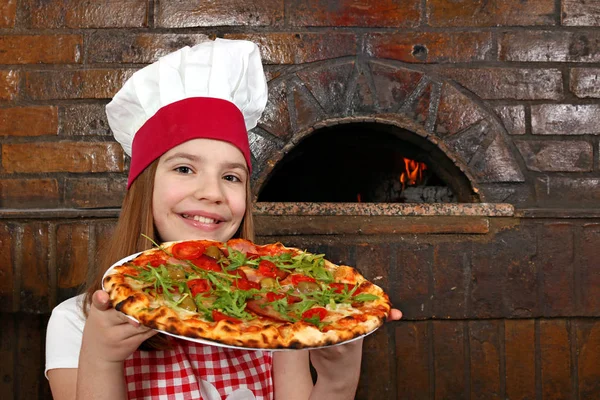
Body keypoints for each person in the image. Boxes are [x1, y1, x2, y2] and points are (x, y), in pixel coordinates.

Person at [45, 38, 402, 400]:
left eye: (231, 177)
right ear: (143, 186)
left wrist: (337, 384)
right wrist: (101, 358)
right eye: (185, 168)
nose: (212, 193)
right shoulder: (77, 321)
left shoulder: (276, 312)